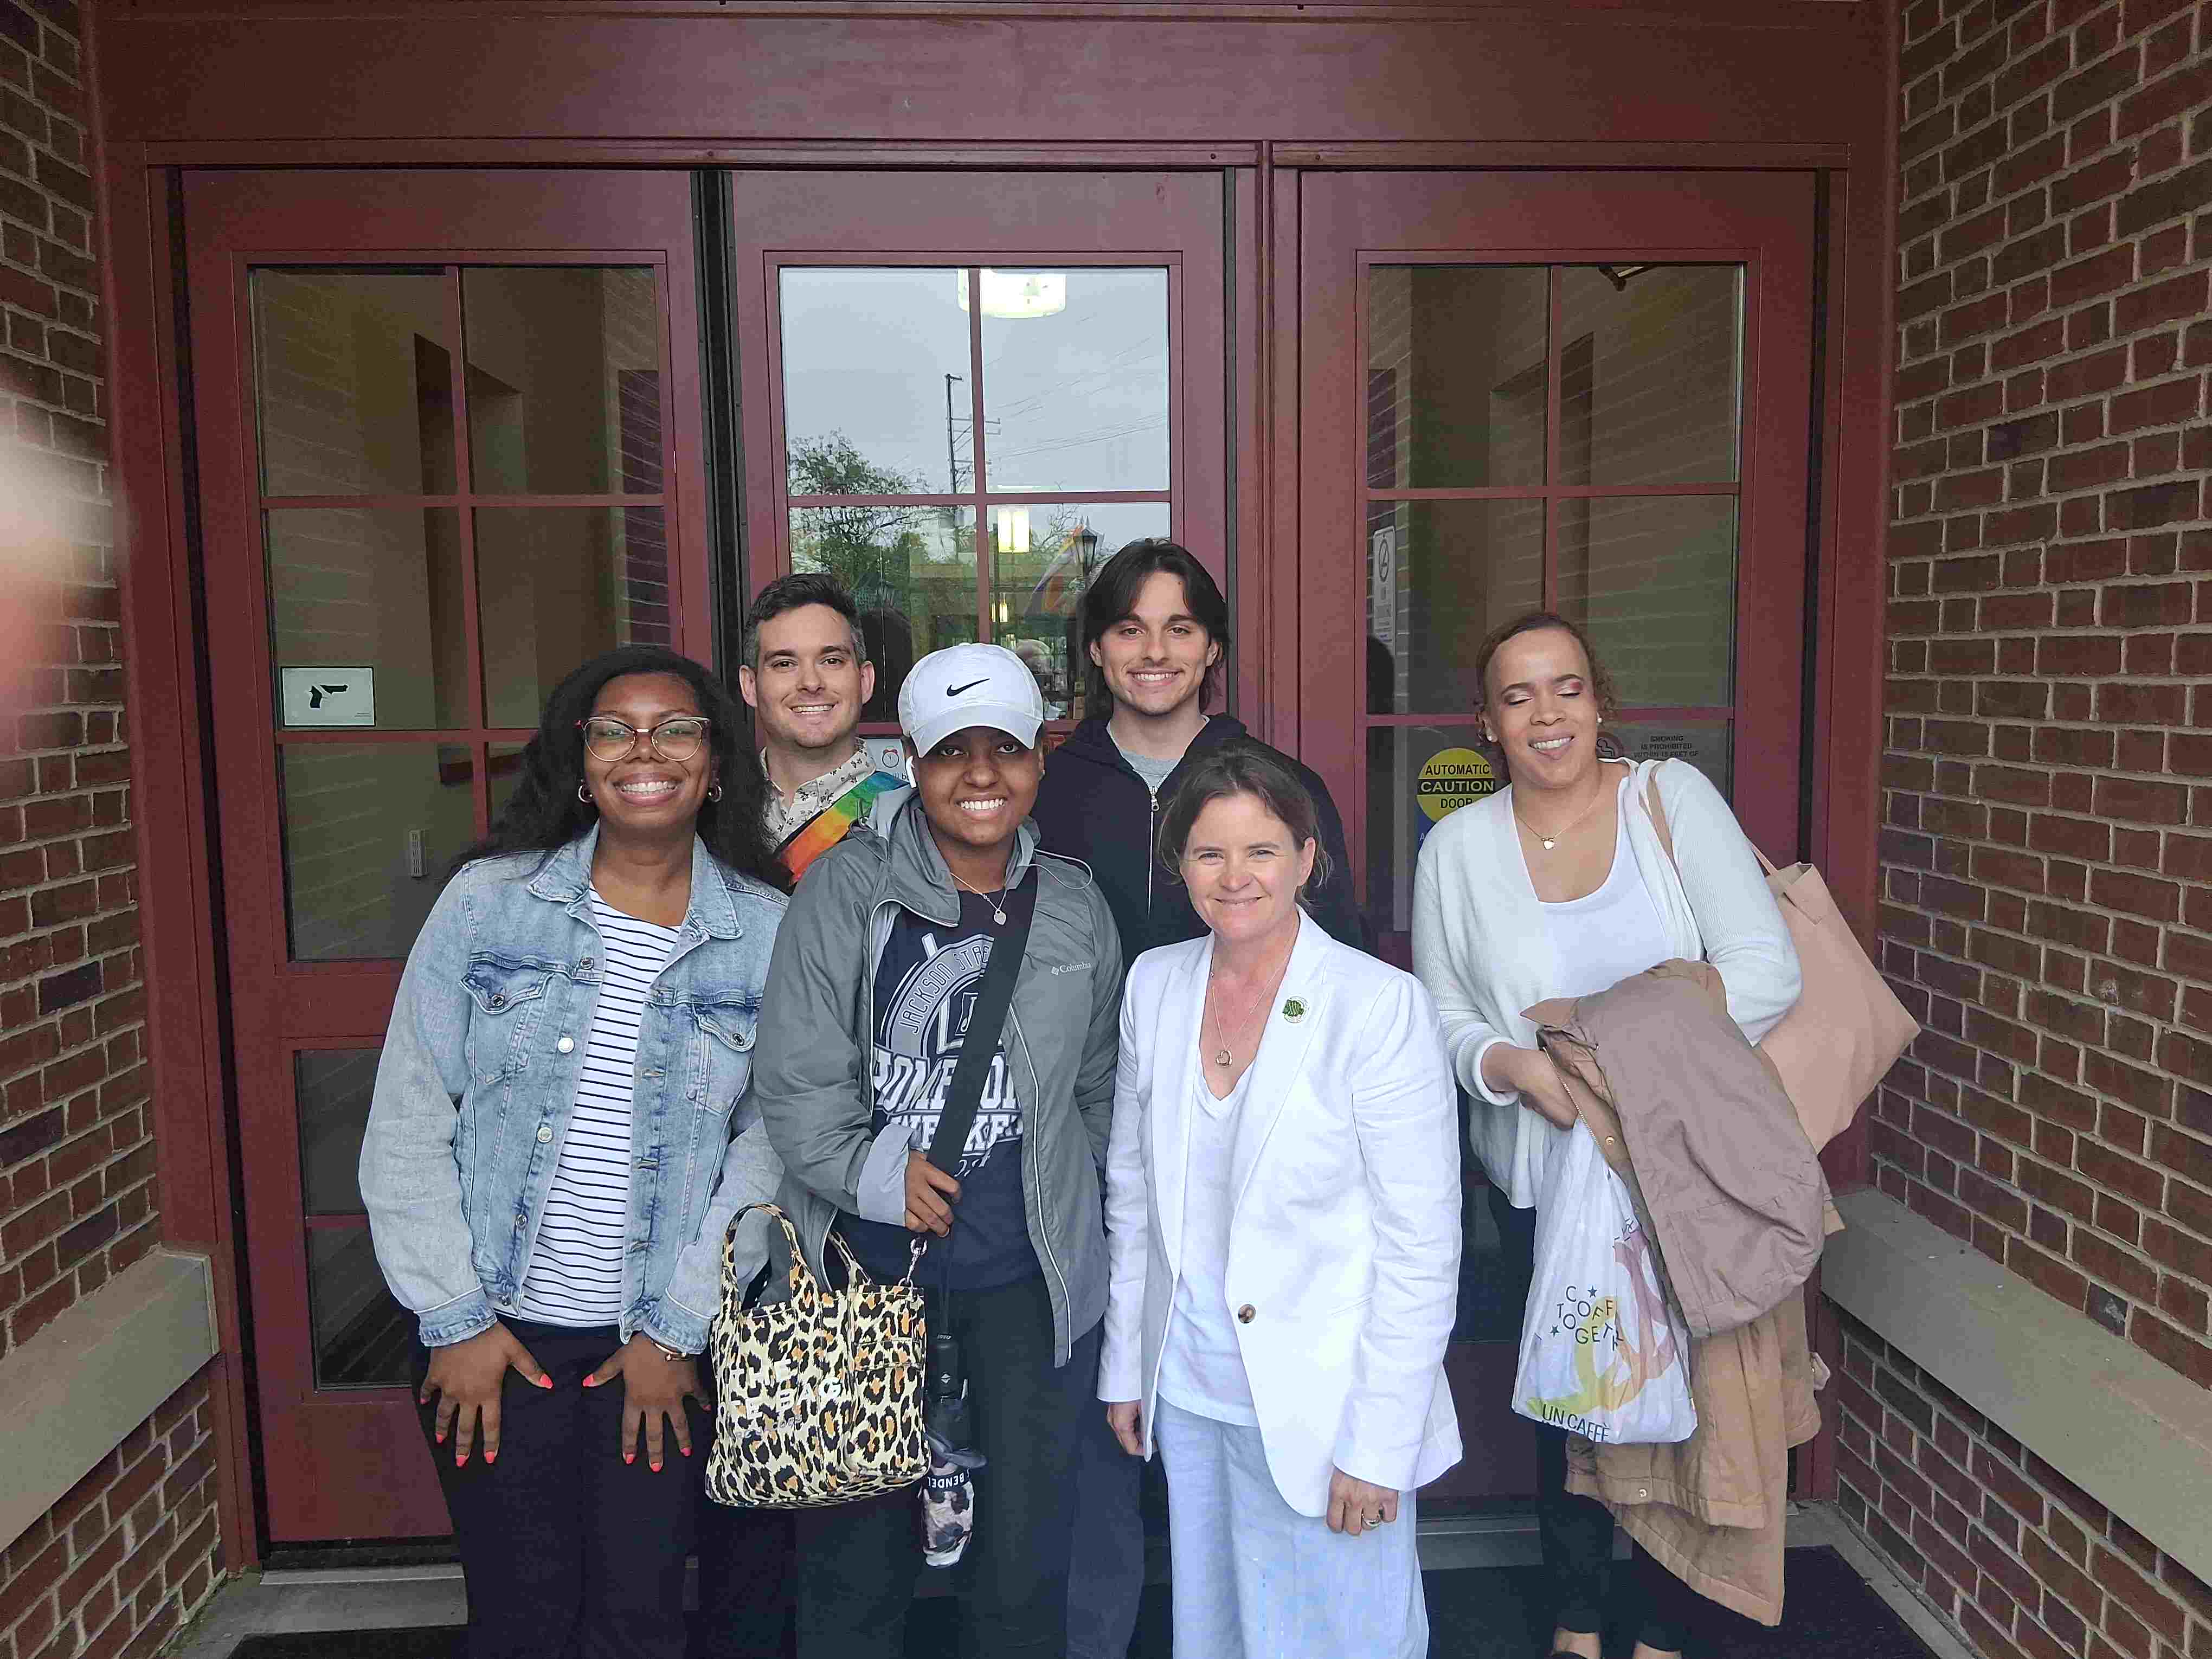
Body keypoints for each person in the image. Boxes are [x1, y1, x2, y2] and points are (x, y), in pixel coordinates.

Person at [358, 646, 785, 1659]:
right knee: (520, 1622)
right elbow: (409, 1114)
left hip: (659, 1347)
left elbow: (770, 1150)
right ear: (581, 763)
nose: (646, 751)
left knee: (641, 1620)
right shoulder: (487, 903)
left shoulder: (768, 930)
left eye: (676, 729)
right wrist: (455, 1320)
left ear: (716, 764)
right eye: (614, 731)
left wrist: (677, 1332)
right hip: (496, 1340)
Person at [1411, 610, 1801, 1659]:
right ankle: (1577, 1625)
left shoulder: (1670, 802)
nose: (1548, 714)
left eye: (1568, 688)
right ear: (1488, 723)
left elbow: (1765, 969)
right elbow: (1442, 1014)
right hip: (1546, 1173)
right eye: (1519, 696)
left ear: (1599, 702)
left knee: (1701, 1403)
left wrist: (1613, 1063)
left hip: (1693, 1168)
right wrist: (1516, 1068)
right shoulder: (1458, 849)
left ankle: (1666, 1632)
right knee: (1572, 1403)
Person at [751, 642, 1125, 1658]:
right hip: (868, 1284)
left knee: (1023, 1568)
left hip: (1028, 1287)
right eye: (951, 751)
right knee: (855, 1567)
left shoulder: (1074, 903)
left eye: (1005, 748)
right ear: (912, 763)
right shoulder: (847, 890)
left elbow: (1099, 1090)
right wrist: (878, 1175)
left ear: (1039, 760)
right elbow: (798, 1079)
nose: (980, 775)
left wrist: (1073, 1203)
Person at [1030, 538, 1362, 1657]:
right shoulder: (1054, 788)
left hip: (1249, 1134)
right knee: (1110, 1389)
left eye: (1180, 628)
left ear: (1213, 647)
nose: (1155, 651)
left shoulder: (1271, 783)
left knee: (1233, 1377)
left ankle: (1229, 1622)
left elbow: (1343, 958)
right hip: (1088, 1131)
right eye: (1129, 628)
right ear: (1095, 648)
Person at [1099, 744, 1461, 1659]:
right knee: (1216, 1632)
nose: (1236, 877)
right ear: (1180, 865)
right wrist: (1127, 1367)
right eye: (1210, 853)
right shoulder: (1155, 985)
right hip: (1192, 1387)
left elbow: (1421, 1246)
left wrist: (1380, 1446)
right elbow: (1133, 1196)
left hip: (1333, 1406)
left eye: (1261, 851)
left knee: (1345, 1639)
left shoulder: (1377, 1006)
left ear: (1306, 859)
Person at [738, 572, 906, 890]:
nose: (811, 683)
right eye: (784, 664)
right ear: (750, 685)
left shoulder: (910, 819)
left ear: (865, 680)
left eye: (831, 661)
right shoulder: (713, 815)